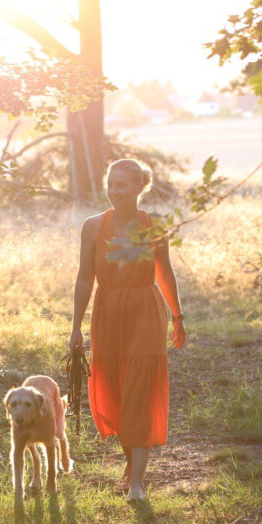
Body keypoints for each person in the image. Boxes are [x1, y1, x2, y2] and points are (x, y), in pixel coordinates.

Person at [69, 158, 186, 501]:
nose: (114, 191)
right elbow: (83, 276)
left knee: (140, 390)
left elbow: (164, 272)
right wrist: (76, 327)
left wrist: (178, 317)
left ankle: (136, 482)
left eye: (122, 184)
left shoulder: (154, 226)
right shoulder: (92, 226)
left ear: (140, 187)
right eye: (111, 184)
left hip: (145, 312)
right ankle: (131, 464)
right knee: (116, 392)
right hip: (106, 312)